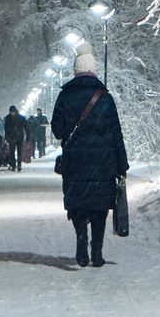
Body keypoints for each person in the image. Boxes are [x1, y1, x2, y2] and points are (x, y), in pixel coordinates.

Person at [50, 43, 129, 266]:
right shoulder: (104, 97)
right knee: (99, 206)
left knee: (79, 204)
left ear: (75, 70)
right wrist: (122, 164)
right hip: (103, 162)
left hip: (75, 161)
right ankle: (97, 252)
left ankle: (81, 243)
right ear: (93, 70)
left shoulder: (65, 96)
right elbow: (116, 133)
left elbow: (57, 130)